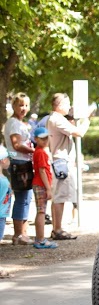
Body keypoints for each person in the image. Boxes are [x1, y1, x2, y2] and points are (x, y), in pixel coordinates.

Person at [47, 93, 90, 240]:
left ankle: (56, 228)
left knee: (58, 196)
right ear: (59, 105)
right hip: (61, 161)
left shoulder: (54, 118)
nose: (69, 106)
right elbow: (79, 132)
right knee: (60, 196)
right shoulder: (57, 119)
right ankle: (58, 229)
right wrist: (87, 119)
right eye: (67, 103)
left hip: (60, 160)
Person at [3, 92, 34, 245]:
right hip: (19, 163)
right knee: (22, 199)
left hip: (23, 162)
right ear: (14, 105)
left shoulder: (19, 123)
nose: (24, 108)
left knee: (26, 198)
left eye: (26, 105)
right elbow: (16, 145)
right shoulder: (14, 123)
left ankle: (23, 233)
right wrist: (34, 151)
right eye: (21, 105)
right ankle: (18, 234)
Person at [30, 127, 57, 249]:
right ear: (36, 139)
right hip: (41, 185)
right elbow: (42, 171)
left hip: (40, 184)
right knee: (41, 212)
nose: (45, 141)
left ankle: (39, 238)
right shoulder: (40, 152)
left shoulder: (39, 151)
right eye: (42, 139)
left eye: (46, 138)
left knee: (41, 211)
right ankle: (40, 239)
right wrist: (48, 188)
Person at [0, 145, 12, 278]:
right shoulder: (1, 180)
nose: (9, 161)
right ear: (3, 160)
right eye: (8, 158)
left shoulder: (3, 179)